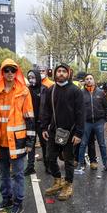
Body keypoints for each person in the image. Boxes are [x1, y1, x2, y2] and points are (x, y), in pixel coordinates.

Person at [0, 59, 34, 213]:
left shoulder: (24, 91)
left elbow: (29, 117)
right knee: (3, 173)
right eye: (6, 70)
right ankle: (6, 200)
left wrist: (30, 141)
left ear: (16, 72)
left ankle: (18, 203)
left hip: (17, 142)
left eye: (12, 70)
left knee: (17, 174)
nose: (10, 73)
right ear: (2, 72)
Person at [40, 63, 84, 201]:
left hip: (70, 132)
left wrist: (78, 133)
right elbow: (46, 111)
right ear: (55, 74)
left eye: (64, 71)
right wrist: (44, 127)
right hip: (53, 131)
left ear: (69, 73)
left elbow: (81, 113)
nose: (61, 73)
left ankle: (68, 185)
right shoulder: (51, 90)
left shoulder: (76, 91)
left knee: (69, 161)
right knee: (50, 157)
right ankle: (58, 180)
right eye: (58, 71)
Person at [76, 74, 107, 172]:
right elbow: (78, 109)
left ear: (94, 80)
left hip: (99, 122)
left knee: (102, 144)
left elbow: (106, 107)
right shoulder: (81, 93)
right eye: (87, 79)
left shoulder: (101, 93)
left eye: (91, 78)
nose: (89, 80)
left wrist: (106, 121)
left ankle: (106, 164)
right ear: (84, 81)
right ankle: (80, 165)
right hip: (86, 122)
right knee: (83, 144)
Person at [25, 69, 48, 175]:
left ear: (38, 78)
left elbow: (49, 107)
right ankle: (30, 167)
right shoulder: (26, 90)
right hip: (30, 122)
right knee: (30, 144)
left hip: (42, 123)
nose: (31, 80)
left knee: (45, 145)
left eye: (33, 77)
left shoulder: (45, 89)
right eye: (29, 78)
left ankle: (48, 166)